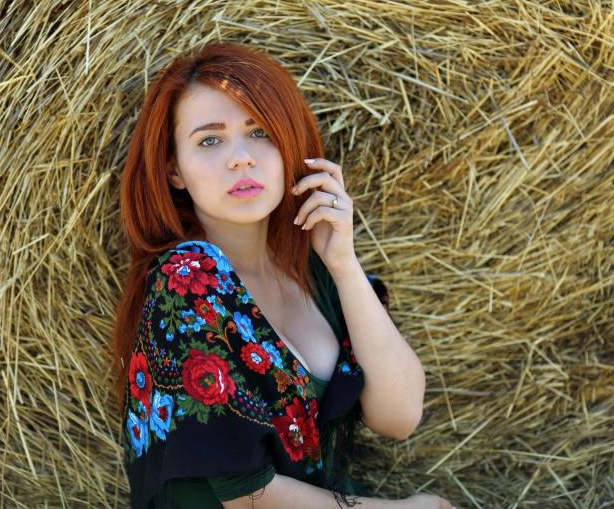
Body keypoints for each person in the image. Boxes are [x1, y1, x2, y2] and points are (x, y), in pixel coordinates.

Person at [112, 41, 456, 509]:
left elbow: (400, 416)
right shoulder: (186, 278)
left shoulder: (312, 269)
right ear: (175, 171)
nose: (241, 157)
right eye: (209, 140)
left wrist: (344, 265)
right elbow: (243, 494)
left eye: (260, 132)